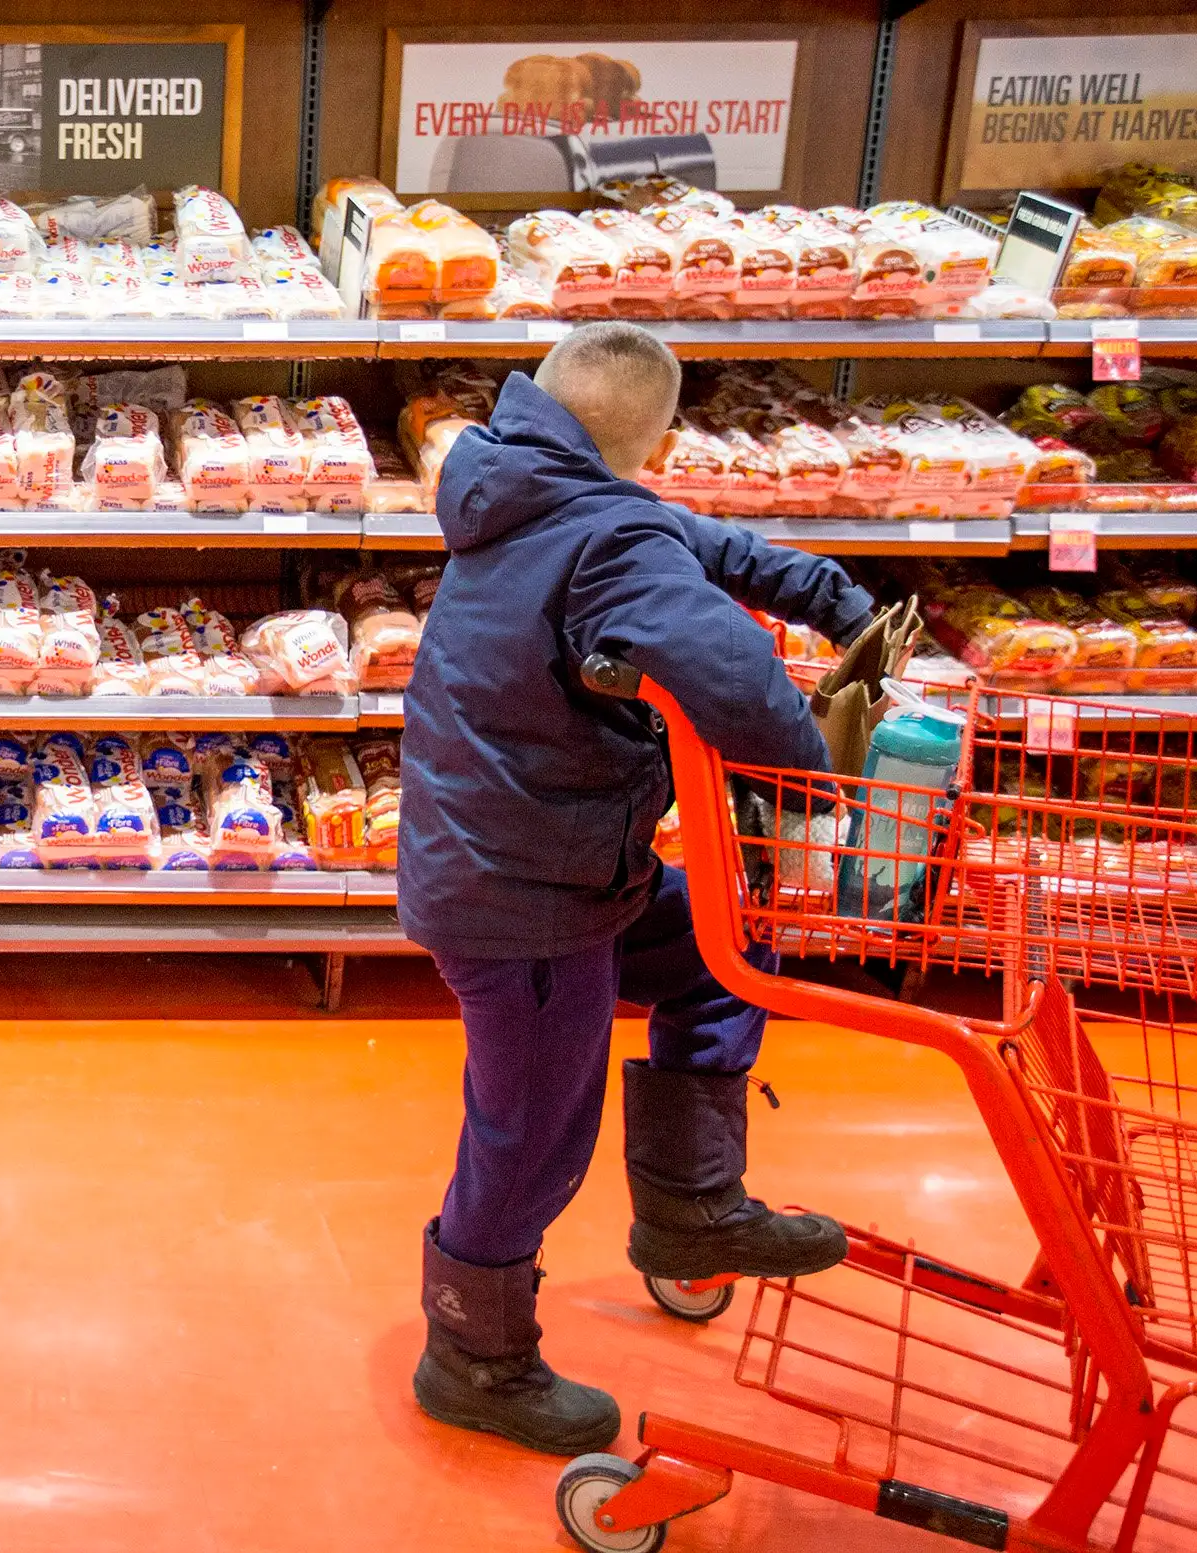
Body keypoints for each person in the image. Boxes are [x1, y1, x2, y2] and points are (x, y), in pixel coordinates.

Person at [399, 322, 875, 1455]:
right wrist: (813, 792)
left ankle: (687, 1202)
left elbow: (686, 539)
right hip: (525, 894)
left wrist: (833, 597)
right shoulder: (602, 532)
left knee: (727, 951)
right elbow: (730, 673)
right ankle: (470, 1352)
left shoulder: (526, 483)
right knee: (528, 1135)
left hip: (541, 856)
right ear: (650, 434)